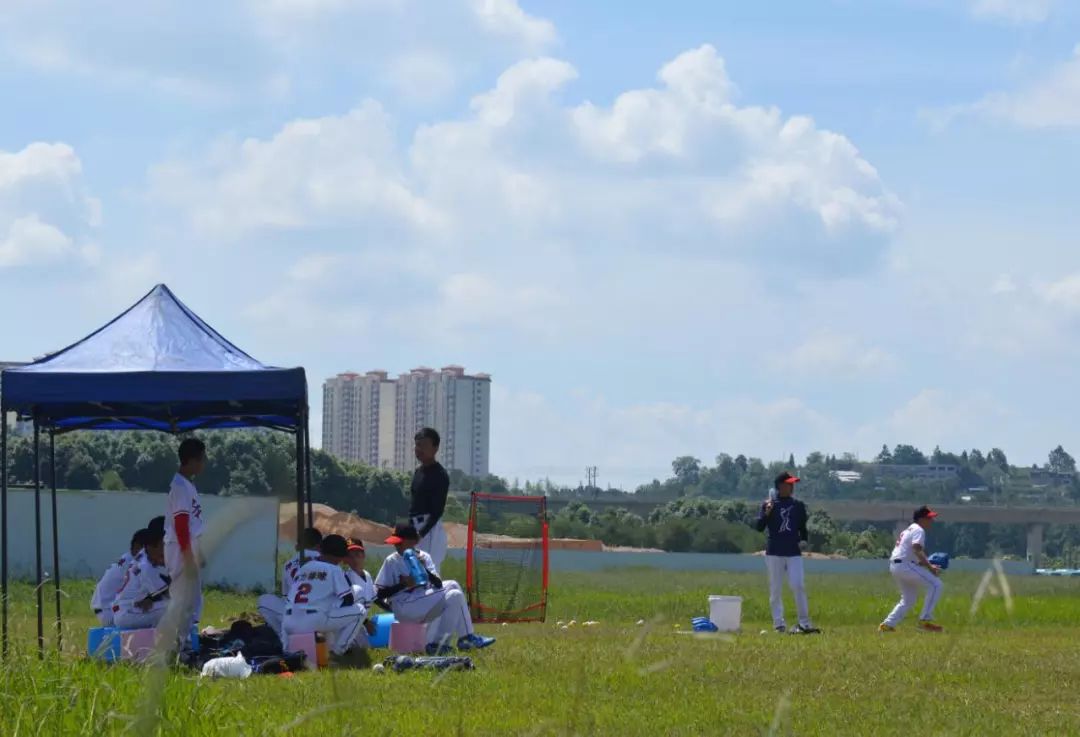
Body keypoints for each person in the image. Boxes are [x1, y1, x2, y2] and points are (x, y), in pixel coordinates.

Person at [375, 522, 494, 655]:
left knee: (454, 595)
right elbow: (378, 594)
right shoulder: (392, 560)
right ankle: (466, 637)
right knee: (453, 584)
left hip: (424, 604)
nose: (396, 545)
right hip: (404, 606)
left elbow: (437, 584)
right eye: (395, 542)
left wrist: (423, 569)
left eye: (400, 542)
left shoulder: (424, 557)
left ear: (414, 541)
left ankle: (439, 645)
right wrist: (403, 585)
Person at [282, 534, 368, 658]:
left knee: (325, 605)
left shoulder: (304, 567)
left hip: (288, 623)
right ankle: (337, 651)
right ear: (342, 556)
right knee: (360, 610)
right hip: (313, 622)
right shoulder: (334, 569)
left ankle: (287, 650)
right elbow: (348, 600)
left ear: (320, 550)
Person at [755, 472, 820, 635]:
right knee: (775, 589)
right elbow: (759, 527)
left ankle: (804, 623)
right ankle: (779, 624)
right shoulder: (769, 504)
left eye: (792, 484)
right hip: (774, 552)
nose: (791, 487)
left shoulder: (798, 505)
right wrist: (767, 513)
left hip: (793, 552)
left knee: (798, 585)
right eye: (788, 484)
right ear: (780, 486)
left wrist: (804, 540)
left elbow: (802, 527)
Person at [164, 437, 207, 630]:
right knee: (183, 600)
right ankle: (177, 646)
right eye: (201, 459)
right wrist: (188, 557)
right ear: (190, 460)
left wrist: (199, 553)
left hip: (189, 547)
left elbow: (192, 524)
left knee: (193, 599)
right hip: (181, 549)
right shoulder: (180, 487)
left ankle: (187, 641)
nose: (203, 464)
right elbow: (181, 525)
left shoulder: (188, 485)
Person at [880, 506, 944, 633]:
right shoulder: (919, 530)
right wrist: (930, 567)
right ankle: (925, 620)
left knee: (909, 599)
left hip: (897, 565)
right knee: (936, 585)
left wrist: (927, 564)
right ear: (921, 519)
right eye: (929, 518)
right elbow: (916, 548)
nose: (931, 520)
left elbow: (909, 554)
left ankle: (887, 625)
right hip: (905, 566)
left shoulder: (908, 530)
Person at [258, 527, 323, 638]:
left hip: (296, 619)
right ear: (319, 546)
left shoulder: (288, 564)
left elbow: (286, 597)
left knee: (264, 600)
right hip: (323, 619)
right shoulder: (325, 560)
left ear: (297, 546)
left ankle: (284, 638)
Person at [112, 530, 172, 630]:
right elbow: (168, 592)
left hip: (125, 609)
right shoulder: (146, 567)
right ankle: (176, 641)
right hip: (128, 615)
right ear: (151, 547)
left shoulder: (143, 554)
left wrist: (150, 598)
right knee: (174, 607)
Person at [409, 427, 451, 570]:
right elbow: (414, 504)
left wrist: (421, 533)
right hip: (415, 526)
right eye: (417, 444)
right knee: (413, 570)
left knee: (429, 571)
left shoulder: (440, 475)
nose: (418, 449)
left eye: (423, 445)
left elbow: (437, 510)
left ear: (435, 448)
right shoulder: (418, 472)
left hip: (429, 528)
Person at [91, 528, 149, 626]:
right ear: (139, 547)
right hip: (109, 612)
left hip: (105, 609)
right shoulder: (133, 563)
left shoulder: (127, 558)